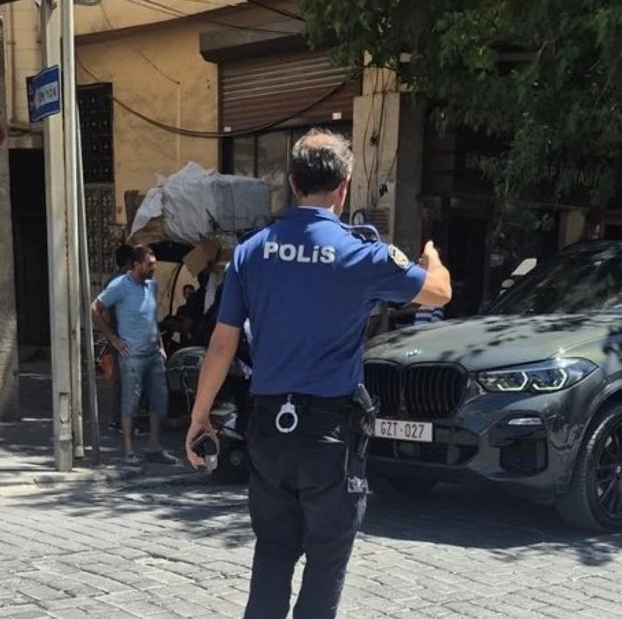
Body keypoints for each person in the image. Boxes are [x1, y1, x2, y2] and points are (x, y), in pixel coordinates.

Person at [185, 128, 452, 619]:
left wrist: (200, 417)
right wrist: (431, 258)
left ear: (292, 182)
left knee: (272, 553)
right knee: (326, 558)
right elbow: (437, 293)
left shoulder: (252, 251)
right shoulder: (360, 253)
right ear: (345, 186)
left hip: (267, 428)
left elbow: (222, 343)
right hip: (328, 434)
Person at [92, 244, 178, 467]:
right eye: (149, 265)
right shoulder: (120, 285)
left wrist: (159, 344)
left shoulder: (152, 286)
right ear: (136, 264)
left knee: (159, 400)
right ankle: (129, 450)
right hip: (131, 355)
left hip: (152, 353)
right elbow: (95, 308)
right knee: (130, 402)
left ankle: (153, 446)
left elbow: (151, 317)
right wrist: (113, 339)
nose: (153, 269)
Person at [101, 244, 135, 432]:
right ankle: (122, 421)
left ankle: (119, 419)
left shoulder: (111, 280)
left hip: (117, 334)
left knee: (121, 379)